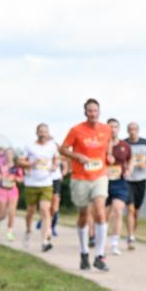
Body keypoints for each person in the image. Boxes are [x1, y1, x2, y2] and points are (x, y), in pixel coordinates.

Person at [60, 98, 113, 271]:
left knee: (100, 211)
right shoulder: (76, 130)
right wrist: (78, 157)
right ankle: (84, 253)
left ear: (99, 112)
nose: (93, 114)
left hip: (100, 176)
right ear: (85, 113)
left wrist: (109, 155)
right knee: (84, 215)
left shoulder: (106, 130)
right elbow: (63, 149)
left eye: (95, 111)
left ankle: (99, 256)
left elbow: (109, 143)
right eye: (90, 111)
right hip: (80, 177)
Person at [20, 123, 60, 252]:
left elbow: (56, 159)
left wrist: (54, 166)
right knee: (30, 211)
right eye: (41, 131)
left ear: (48, 133)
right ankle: (28, 230)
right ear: (36, 133)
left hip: (46, 183)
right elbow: (20, 161)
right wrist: (31, 163)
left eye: (45, 131)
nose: (43, 134)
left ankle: (44, 241)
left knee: (45, 210)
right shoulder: (29, 147)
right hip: (31, 183)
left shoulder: (52, 147)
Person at [124, 122, 146, 250]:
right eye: (130, 129)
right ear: (127, 131)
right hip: (128, 179)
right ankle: (130, 236)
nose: (133, 131)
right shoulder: (124, 144)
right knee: (130, 209)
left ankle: (133, 232)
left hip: (141, 179)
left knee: (136, 211)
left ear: (138, 130)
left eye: (135, 129)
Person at [105, 118, 133, 256]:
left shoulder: (125, 145)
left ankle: (115, 243)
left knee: (118, 210)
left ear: (119, 128)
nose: (113, 129)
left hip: (120, 182)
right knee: (103, 215)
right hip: (104, 182)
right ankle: (99, 238)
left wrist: (129, 169)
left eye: (115, 126)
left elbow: (130, 159)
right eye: (110, 127)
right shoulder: (102, 145)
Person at [0, 148, 23, 241]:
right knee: (3, 214)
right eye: (6, 154)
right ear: (4, 155)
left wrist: (14, 178)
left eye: (10, 154)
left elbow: (21, 179)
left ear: (13, 155)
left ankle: (9, 232)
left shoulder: (16, 167)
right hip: (2, 190)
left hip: (13, 191)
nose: (8, 155)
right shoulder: (0, 166)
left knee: (12, 212)